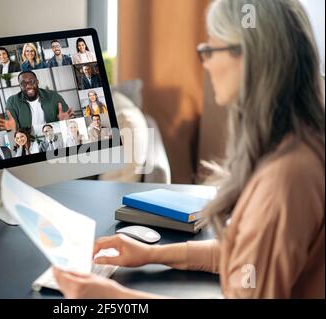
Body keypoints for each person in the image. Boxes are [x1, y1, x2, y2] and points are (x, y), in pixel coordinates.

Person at [53, 0, 325, 299]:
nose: (205, 63)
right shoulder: (299, 145)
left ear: (250, 58)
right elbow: (246, 259)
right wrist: (152, 254)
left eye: (210, 50)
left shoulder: (286, 178)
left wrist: (112, 298)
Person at [0, 71, 74, 133]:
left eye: (31, 81)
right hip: (30, 139)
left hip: (52, 133)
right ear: (20, 86)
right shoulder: (12, 101)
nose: (28, 86)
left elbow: (69, 121)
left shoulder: (53, 96)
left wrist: (65, 122)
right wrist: (12, 129)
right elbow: (11, 127)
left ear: (37, 82)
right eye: (23, 83)